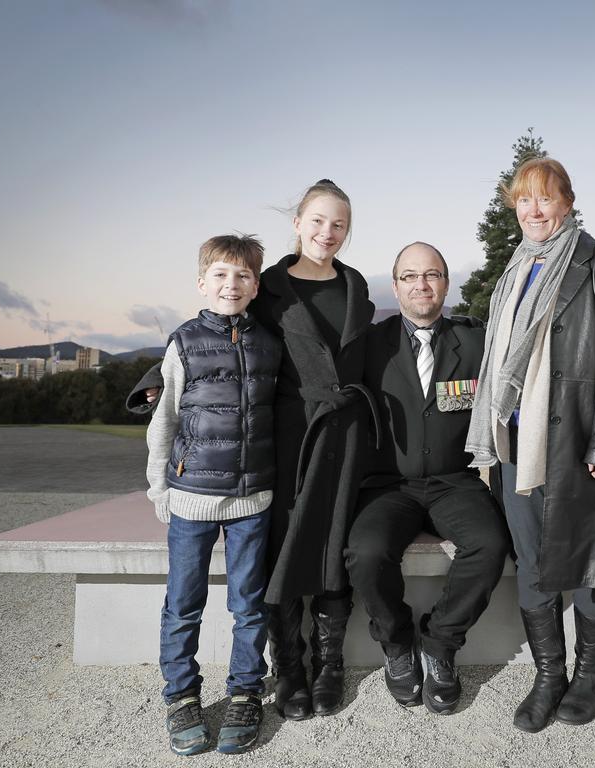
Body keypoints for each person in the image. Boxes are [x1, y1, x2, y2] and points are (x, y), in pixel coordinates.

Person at [128, 180, 376, 722]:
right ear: (298, 222)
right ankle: (289, 667)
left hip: (340, 440)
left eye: (338, 224)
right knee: (281, 551)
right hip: (283, 439)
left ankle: (328, 666)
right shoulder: (267, 285)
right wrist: (154, 377)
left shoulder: (358, 286)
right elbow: (212, 332)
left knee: (335, 543)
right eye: (317, 221)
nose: (326, 233)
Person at [465, 157, 595, 732]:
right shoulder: (515, 270)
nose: (534, 210)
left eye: (545, 198)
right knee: (536, 563)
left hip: (582, 440)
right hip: (519, 441)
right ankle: (548, 674)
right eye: (523, 200)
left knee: (594, 559)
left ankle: (590, 675)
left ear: (567, 202)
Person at [344, 242, 509, 715]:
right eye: (410, 276)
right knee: (367, 551)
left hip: (453, 480)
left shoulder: (475, 341)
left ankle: (439, 643)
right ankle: (397, 644)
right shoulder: (367, 345)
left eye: (432, 274)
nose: (422, 284)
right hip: (387, 485)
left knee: (489, 543)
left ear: (446, 283)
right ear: (394, 286)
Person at [145, 234, 281, 756]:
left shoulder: (270, 343)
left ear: (255, 286)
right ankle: (181, 697)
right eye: (221, 275)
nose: (232, 284)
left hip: (253, 500)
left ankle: (245, 692)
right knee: (183, 605)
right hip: (192, 499)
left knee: (248, 605)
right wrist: (160, 485)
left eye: (243, 276)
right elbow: (166, 418)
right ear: (202, 282)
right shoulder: (182, 342)